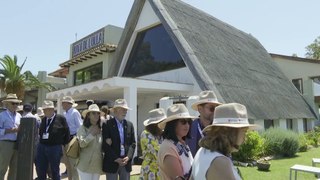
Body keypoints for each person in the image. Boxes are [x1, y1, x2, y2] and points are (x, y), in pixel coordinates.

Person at [190, 103, 258, 180]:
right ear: (230, 132)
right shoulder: (221, 162)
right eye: (244, 131)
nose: (245, 138)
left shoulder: (202, 151)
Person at [157, 103, 196, 180]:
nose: (187, 125)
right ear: (172, 124)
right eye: (183, 121)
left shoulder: (181, 143)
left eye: (188, 121)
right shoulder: (168, 148)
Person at [102, 99, 136, 180]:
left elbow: (133, 143)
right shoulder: (107, 124)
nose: (125, 111)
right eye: (123, 109)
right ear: (115, 110)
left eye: (126, 109)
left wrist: (128, 156)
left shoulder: (129, 125)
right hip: (112, 162)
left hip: (125, 162)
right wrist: (116, 159)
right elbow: (105, 145)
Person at [36, 100, 70, 180]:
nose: (44, 111)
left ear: (51, 110)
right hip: (42, 146)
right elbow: (41, 132)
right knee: (41, 168)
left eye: (46, 110)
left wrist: (63, 144)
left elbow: (67, 131)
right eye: (44, 110)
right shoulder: (44, 119)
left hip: (55, 147)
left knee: (54, 169)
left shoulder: (60, 118)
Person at [187, 90, 222, 157]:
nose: (214, 111)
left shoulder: (220, 129)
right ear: (200, 109)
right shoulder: (189, 128)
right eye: (212, 108)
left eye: (216, 108)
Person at [76, 104, 103, 180]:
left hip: (97, 165)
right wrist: (91, 134)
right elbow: (81, 144)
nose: (96, 115)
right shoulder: (83, 128)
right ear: (88, 115)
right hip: (85, 165)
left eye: (98, 113)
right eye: (93, 113)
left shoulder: (101, 129)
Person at [139, 108, 166, 180]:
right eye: (162, 121)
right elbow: (157, 152)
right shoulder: (146, 134)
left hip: (161, 170)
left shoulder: (161, 133)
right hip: (150, 170)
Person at [0, 93, 22, 180]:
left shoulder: (19, 116)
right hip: (5, 143)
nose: (15, 105)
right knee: (2, 168)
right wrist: (11, 130)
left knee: (14, 168)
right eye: (13, 103)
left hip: (16, 144)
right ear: (7, 104)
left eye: (17, 103)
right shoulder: (2, 116)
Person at [61, 96, 82, 180]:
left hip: (72, 139)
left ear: (68, 104)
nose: (62, 104)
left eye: (63, 103)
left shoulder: (75, 112)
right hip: (65, 139)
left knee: (73, 165)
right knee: (67, 164)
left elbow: (80, 126)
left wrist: (76, 139)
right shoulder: (65, 113)